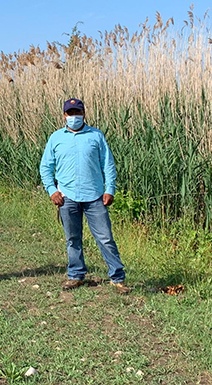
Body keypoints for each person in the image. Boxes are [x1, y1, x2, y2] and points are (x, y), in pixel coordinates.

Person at [39, 98, 130, 294]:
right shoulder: (56, 138)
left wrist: (110, 189)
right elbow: (46, 167)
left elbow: (108, 164)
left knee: (105, 237)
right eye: (70, 113)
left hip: (95, 196)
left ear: (84, 114)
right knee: (73, 238)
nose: (74, 117)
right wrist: (51, 190)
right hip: (67, 196)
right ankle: (76, 275)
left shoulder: (96, 136)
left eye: (77, 113)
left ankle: (117, 278)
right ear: (64, 115)